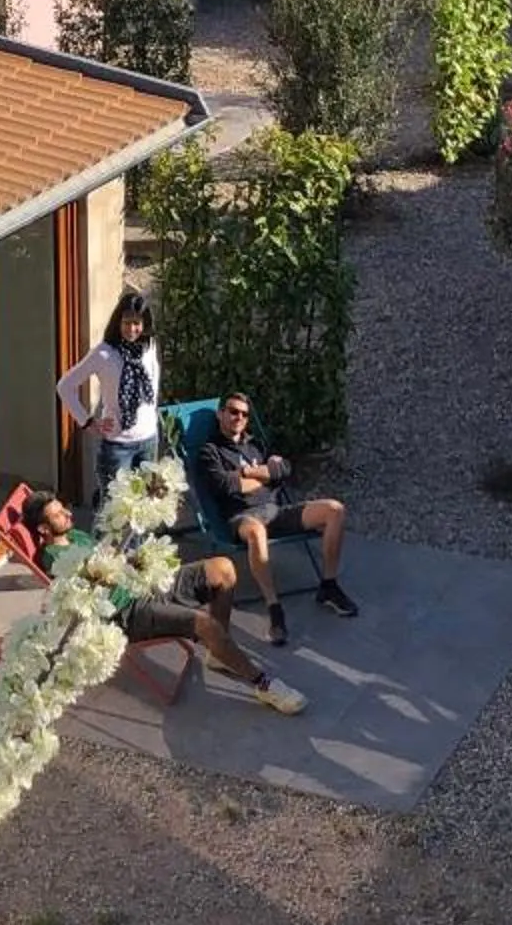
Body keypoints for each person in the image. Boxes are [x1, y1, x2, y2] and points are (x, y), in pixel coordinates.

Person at [29, 495, 307, 716]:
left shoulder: (77, 536)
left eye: (63, 508)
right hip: (126, 613)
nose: (67, 513)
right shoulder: (53, 557)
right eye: (57, 514)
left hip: (144, 585)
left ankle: (219, 651)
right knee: (204, 623)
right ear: (43, 528)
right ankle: (263, 684)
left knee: (223, 569)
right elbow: (88, 585)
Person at [194, 393, 359, 645]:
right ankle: (274, 608)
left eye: (244, 414)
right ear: (220, 414)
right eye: (233, 411)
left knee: (334, 510)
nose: (239, 417)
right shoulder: (210, 451)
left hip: (275, 511)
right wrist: (265, 475)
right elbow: (225, 485)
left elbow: (284, 469)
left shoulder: (256, 445)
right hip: (242, 517)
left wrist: (248, 472)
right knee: (257, 532)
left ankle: (328, 586)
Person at [55, 290, 165, 513]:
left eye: (137, 323)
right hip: (117, 446)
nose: (131, 329)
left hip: (148, 441)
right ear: (118, 322)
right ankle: (103, 549)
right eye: (126, 322)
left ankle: (136, 550)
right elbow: (65, 386)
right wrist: (87, 422)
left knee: (142, 513)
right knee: (114, 514)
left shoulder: (149, 346)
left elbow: (153, 384)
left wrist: (152, 420)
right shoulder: (104, 354)